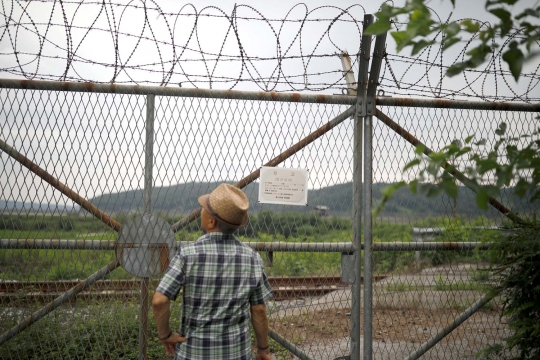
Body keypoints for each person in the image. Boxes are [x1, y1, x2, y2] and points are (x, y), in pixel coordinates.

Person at [152, 183, 273, 360]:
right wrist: (263, 350)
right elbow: (259, 309)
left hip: (193, 354)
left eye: (204, 208)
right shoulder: (252, 258)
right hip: (236, 354)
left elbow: (159, 301)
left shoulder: (187, 255)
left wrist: (165, 335)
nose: (201, 210)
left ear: (211, 221)